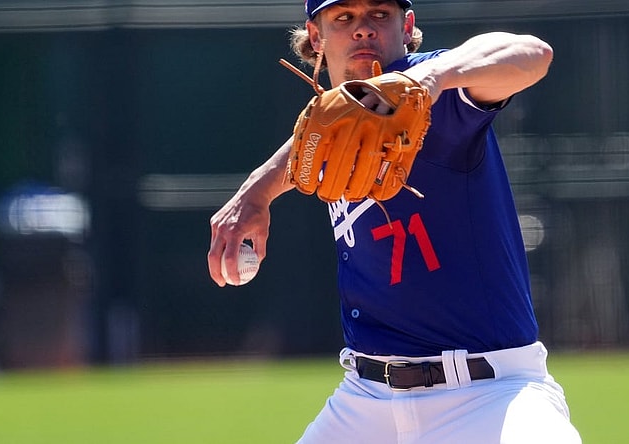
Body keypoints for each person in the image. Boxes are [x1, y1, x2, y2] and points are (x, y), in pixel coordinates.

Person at [208, 0, 581, 442]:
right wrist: (258, 190)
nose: (363, 29)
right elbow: (323, 132)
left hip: (488, 393)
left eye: (379, 15)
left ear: (407, 26)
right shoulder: (331, 121)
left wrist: (429, 78)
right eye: (343, 18)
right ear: (315, 36)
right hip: (365, 400)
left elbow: (532, 53)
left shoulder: (436, 92)